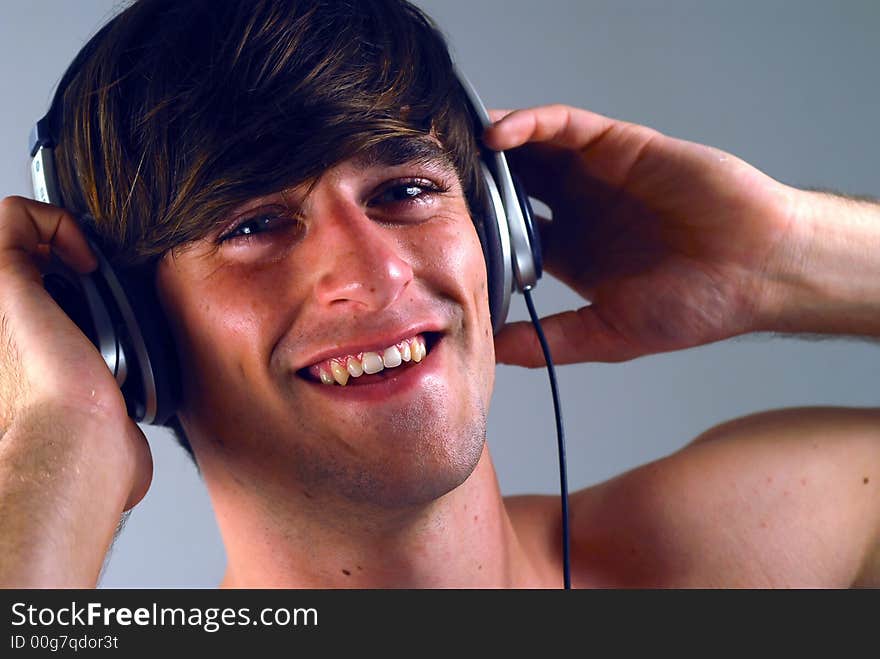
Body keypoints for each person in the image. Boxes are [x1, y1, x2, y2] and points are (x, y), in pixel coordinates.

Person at [0, 0, 877, 588]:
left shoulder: (753, 554)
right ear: (130, 331)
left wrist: (792, 257)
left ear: (498, 231)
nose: (376, 274)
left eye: (406, 191)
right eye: (253, 226)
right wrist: (58, 434)